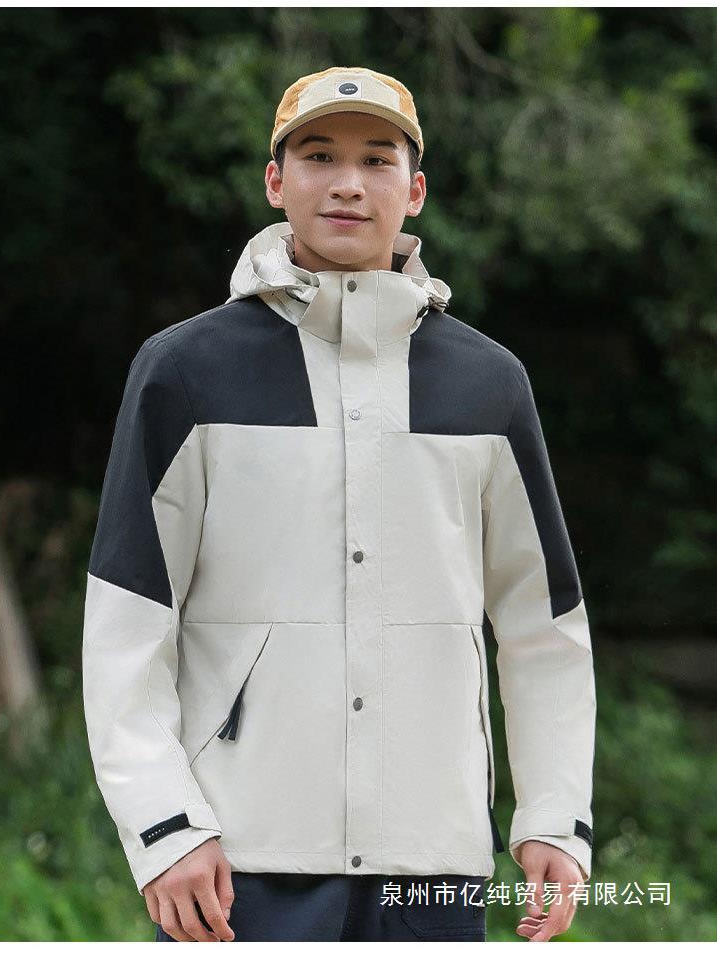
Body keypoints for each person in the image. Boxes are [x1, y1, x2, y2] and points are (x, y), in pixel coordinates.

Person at [82, 66, 596, 943]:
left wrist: (555, 815)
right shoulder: (186, 371)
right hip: (234, 861)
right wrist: (164, 825)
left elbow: (541, 624)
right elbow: (128, 618)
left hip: (433, 863)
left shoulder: (489, 384)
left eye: (377, 159)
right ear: (275, 181)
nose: (349, 183)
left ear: (415, 190)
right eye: (319, 156)